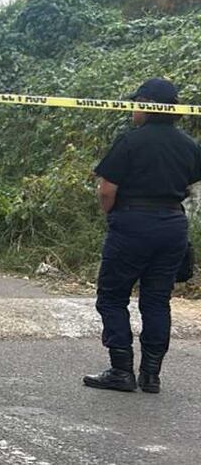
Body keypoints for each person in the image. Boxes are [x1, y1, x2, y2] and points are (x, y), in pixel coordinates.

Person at [84, 78, 201, 394]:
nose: (134, 108)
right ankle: (151, 375)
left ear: (148, 105)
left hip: (133, 223)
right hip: (173, 226)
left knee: (112, 296)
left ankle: (121, 371)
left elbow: (107, 190)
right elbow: (190, 186)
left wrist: (113, 215)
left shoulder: (130, 142)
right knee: (157, 300)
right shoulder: (190, 145)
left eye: (138, 103)